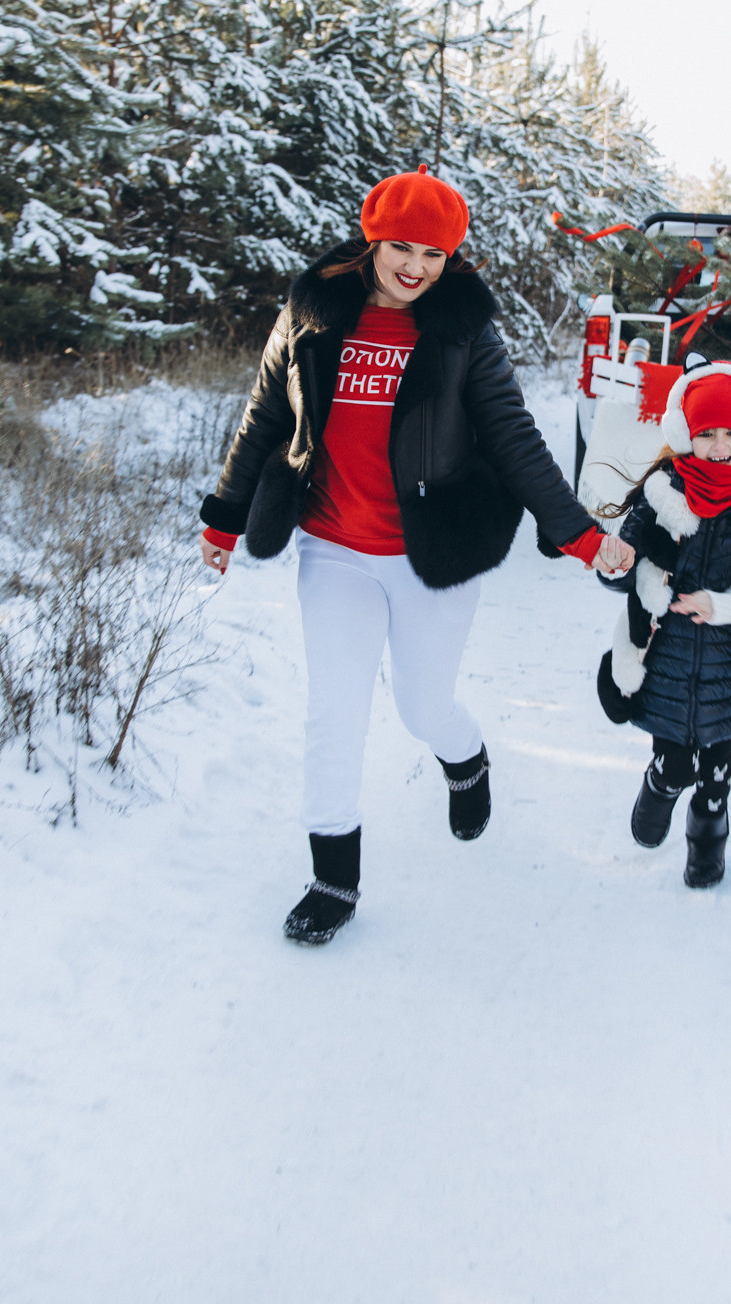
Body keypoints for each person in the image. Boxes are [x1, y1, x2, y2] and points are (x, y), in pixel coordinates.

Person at [198, 166, 634, 945]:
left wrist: (580, 534)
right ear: (373, 238)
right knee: (333, 714)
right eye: (402, 247)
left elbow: (514, 436)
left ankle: (465, 760)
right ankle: (333, 880)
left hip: (431, 548)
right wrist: (225, 516)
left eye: (434, 254)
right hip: (334, 546)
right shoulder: (312, 312)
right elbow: (265, 413)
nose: (416, 267)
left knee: (421, 707)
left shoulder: (462, 330)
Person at [593, 361, 731, 889]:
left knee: (715, 784)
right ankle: (660, 786)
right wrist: (614, 566)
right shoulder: (662, 494)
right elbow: (625, 570)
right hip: (666, 661)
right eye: (706, 433)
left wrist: (724, 606)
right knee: (676, 764)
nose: (720, 445)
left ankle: (707, 845)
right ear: (686, 434)